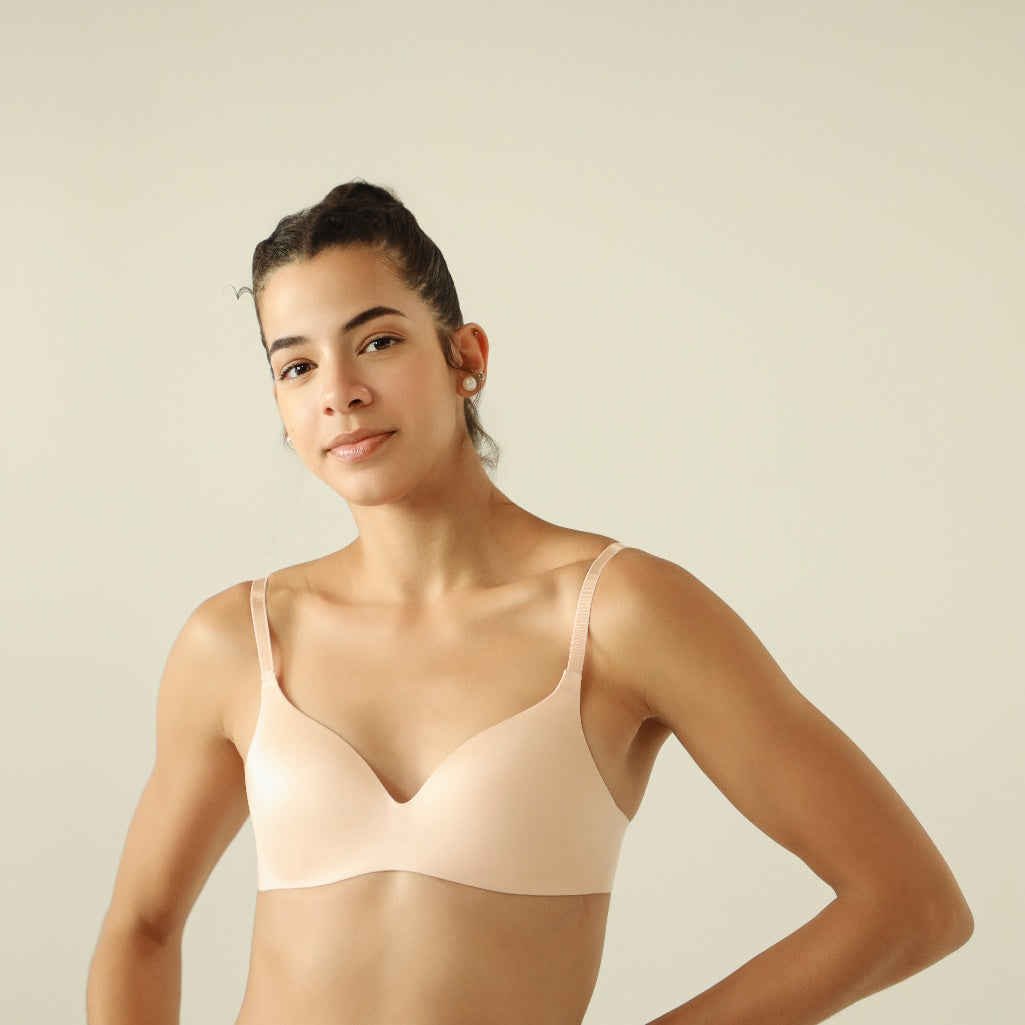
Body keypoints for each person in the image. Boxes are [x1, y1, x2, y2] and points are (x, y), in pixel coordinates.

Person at [87, 181, 973, 1025]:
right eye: (296, 365)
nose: (338, 391)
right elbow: (142, 927)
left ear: (465, 357)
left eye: (378, 342)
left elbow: (909, 903)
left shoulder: (617, 613)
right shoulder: (238, 641)